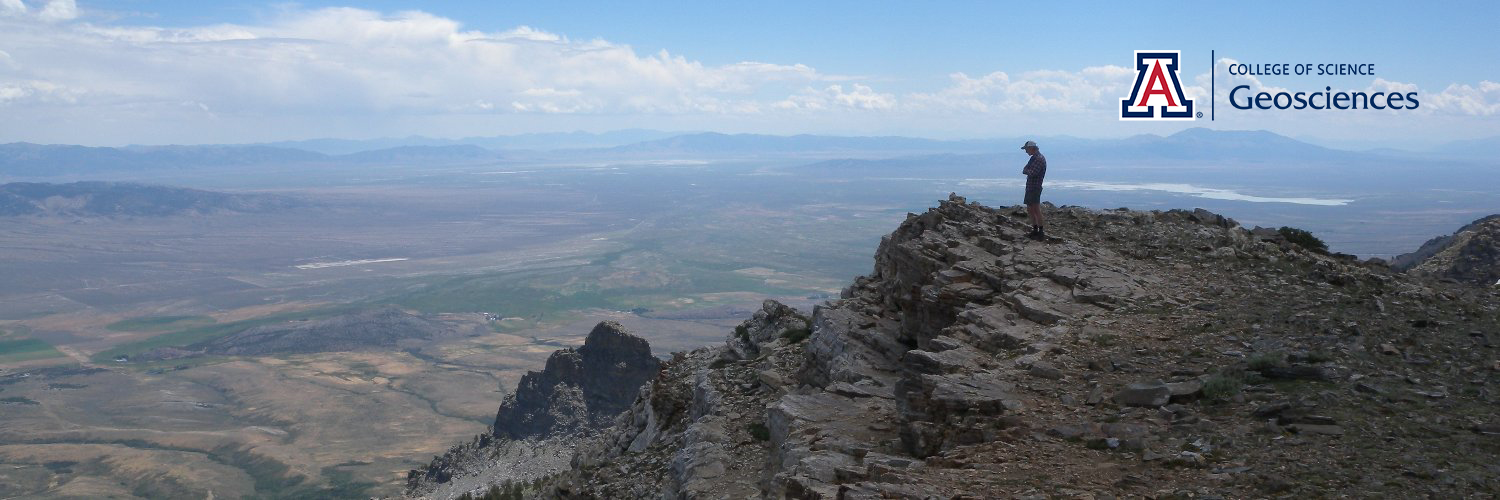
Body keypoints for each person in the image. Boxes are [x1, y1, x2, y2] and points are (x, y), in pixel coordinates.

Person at [1020, 140, 1047, 238]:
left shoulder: (1039, 159)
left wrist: (1027, 170)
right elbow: (1026, 169)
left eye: (1027, 149)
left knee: (1036, 209)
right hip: (1031, 186)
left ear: (1031, 148)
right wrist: (1027, 170)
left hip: (1035, 187)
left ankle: (1040, 231)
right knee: (1030, 209)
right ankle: (1035, 229)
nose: (1026, 151)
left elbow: (1032, 172)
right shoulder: (1034, 158)